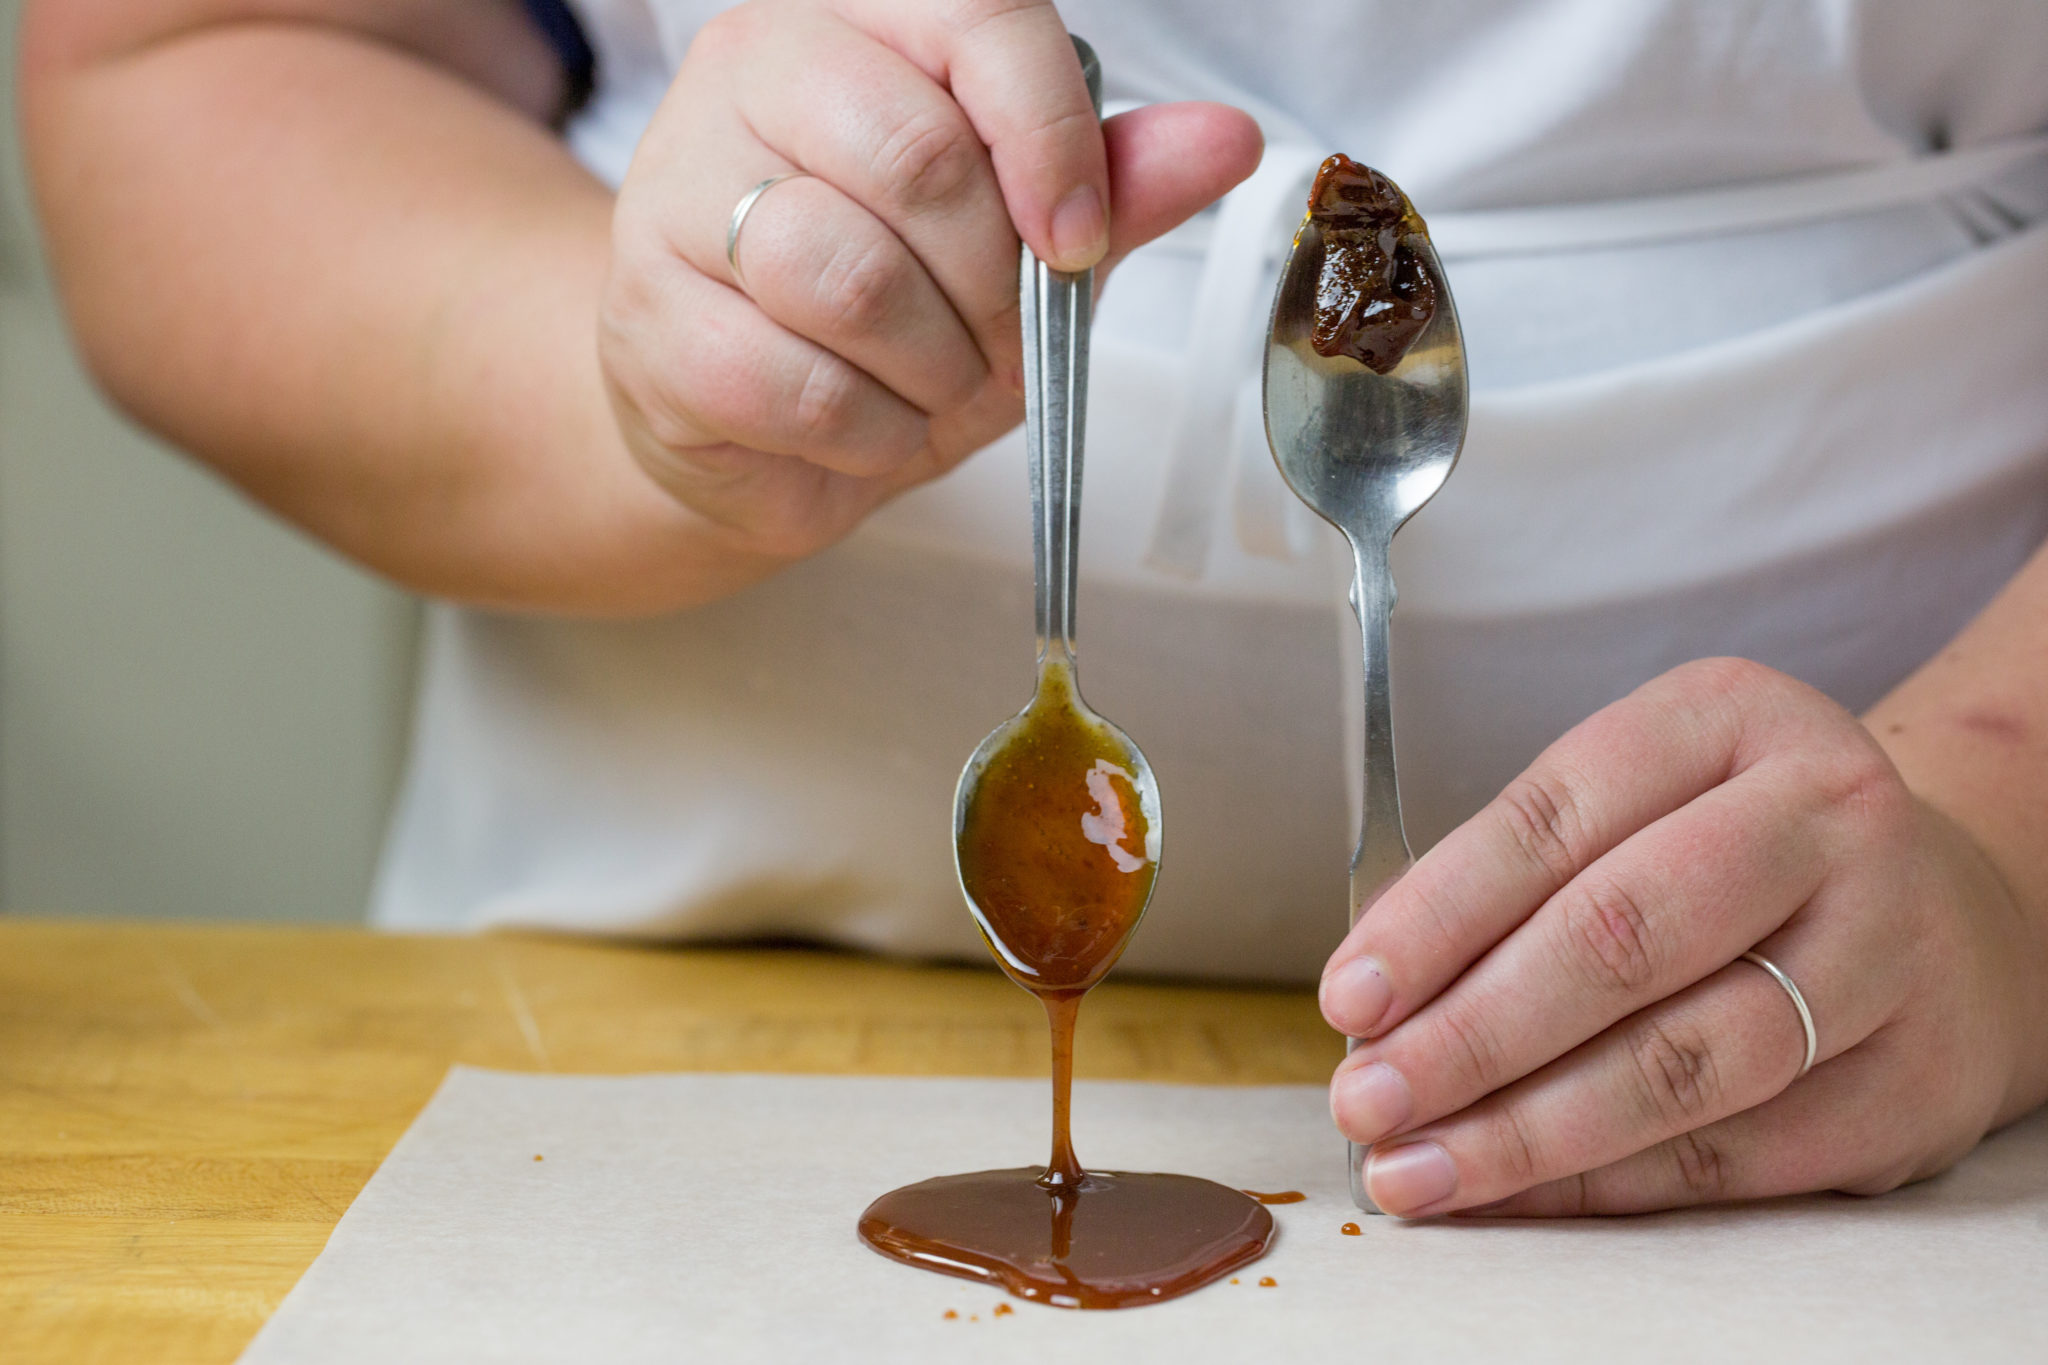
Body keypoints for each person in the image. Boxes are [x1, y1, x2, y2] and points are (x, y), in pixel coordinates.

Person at [19, 0, 2048, 1219]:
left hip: (1893, 1082)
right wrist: (633, 379)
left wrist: (1993, 840)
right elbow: (195, 60)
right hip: (621, 1016)